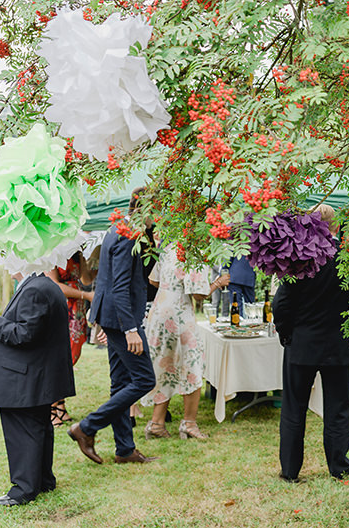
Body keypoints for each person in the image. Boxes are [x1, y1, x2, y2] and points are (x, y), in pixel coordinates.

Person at [68, 188, 158, 464]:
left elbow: (140, 275)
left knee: (120, 383)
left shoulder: (130, 230)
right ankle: (86, 428)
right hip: (121, 318)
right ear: (146, 210)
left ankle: (124, 449)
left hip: (114, 316)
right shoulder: (124, 234)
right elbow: (119, 287)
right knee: (144, 380)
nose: (162, 216)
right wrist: (131, 329)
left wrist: (152, 239)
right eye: (159, 210)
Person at [272, 204, 349, 481]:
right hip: (339, 343)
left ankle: (289, 471)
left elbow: (281, 303)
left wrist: (286, 334)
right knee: (338, 409)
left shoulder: (297, 258)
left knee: (293, 408)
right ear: (335, 228)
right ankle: (339, 467)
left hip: (302, 344)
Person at [0, 272, 75, 506]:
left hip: (24, 377)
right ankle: (43, 480)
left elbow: (25, 334)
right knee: (37, 428)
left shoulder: (35, 289)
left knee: (22, 430)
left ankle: (23, 488)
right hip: (34, 374)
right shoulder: (44, 285)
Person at [140, 242, 229, 440]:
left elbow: (153, 280)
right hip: (179, 314)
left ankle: (156, 423)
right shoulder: (195, 251)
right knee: (192, 365)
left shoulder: (170, 247)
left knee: (165, 365)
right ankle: (189, 423)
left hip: (159, 311)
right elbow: (198, 295)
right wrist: (217, 283)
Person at [45, 252, 95, 427]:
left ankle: (60, 404)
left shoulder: (75, 252)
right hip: (62, 306)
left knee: (70, 357)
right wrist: (87, 296)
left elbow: (87, 279)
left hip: (77, 308)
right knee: (58, 359)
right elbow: (54, 286)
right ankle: (50, 407)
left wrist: (87, 260)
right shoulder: (51, 251)